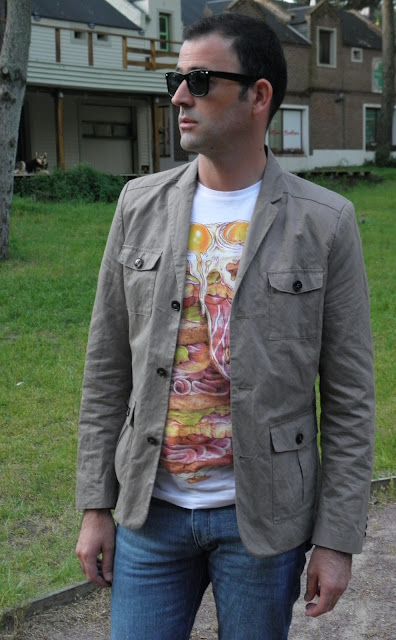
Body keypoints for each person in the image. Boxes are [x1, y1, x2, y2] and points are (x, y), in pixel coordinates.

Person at [75, 12, 375, 640]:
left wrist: (336, 540)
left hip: (262, 521)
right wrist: (96, 504)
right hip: (149, 513)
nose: (180, 97)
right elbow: (106, 368)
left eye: (201, 80)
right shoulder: (138, 205)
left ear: (258, 96)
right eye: (176, 80)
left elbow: (350, 397)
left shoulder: (325, 222)